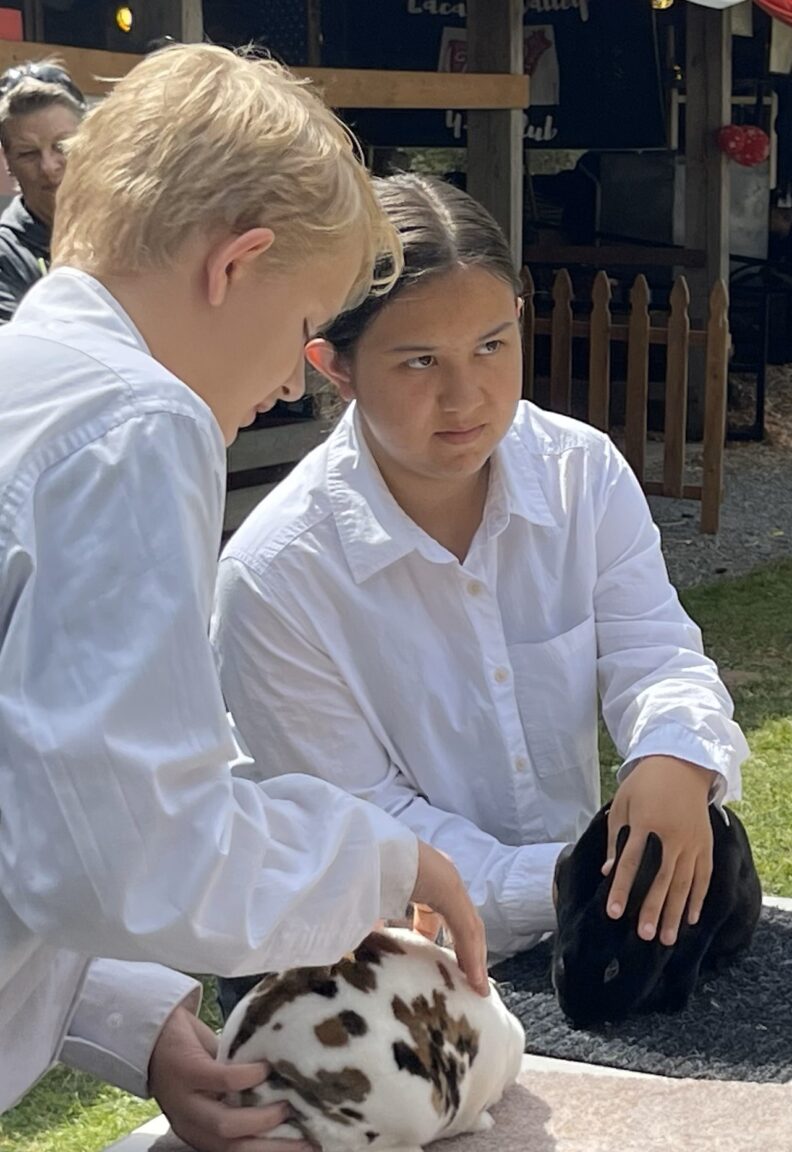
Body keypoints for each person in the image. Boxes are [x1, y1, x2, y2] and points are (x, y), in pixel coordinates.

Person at [0, 47, 488, 1149]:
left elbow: (31, 814)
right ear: (237, 264)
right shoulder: (133, 419)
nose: (286, 381)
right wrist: (380, 857)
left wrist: (126, 1017)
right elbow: (139, 851)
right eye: (299, 321)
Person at [212, 173, 750, 971]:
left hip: (576, 937)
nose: (466, 398)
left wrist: (676, 751)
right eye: (420, 361)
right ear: (334, 366)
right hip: (363, 974)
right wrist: (584, 880)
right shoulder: (275, 578)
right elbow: (366, 827)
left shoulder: (580, 473)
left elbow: (655, 652)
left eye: (491, 346)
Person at [0, 59, 85, 323]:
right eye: (27, 154)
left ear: (91, 143)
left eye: (61, 146)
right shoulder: (6, 256)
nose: (48, 167)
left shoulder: (136, 228)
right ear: (8, 164)